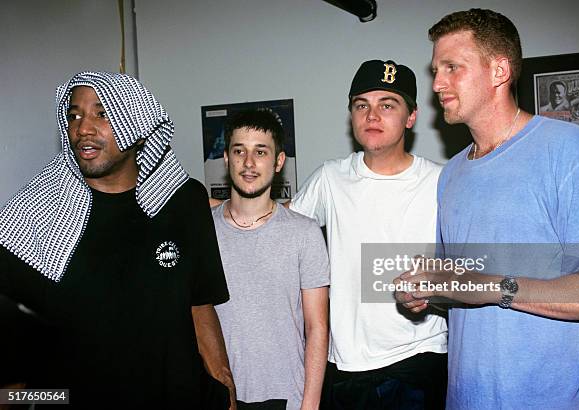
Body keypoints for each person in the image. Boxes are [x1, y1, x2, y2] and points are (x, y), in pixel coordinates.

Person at [395, 9, 579, 409]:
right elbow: (463, 284)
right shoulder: (453, 173)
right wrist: (428, 291)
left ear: (499, 71)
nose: (437, 84)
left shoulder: (574, 152)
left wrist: (494, 287)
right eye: (435, 71)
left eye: (451, 67)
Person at [0, 71, 234, 409]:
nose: (83, 128)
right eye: (74, 115)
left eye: (102, 113)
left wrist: (226, 392)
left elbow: (199, 305)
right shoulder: (32, 218)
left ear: (139, 130)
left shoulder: (183, 202)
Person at [289, 60, 448, 409]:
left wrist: (436, 286)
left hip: (416, 360)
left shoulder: (441, 182)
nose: (372, 115)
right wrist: (220, 209)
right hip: (344, 366)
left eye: (387, 105)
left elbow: (468, 266)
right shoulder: (330, 178)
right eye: (362, 105)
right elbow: (281, 230)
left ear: (411, 117)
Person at [211, 109, 330, 410]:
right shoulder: (203, 230)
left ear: (278, 162)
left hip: (286, 396)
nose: (249, 163)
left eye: (260, 152)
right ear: (226, 158)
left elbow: (317, 327)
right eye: (240, 151)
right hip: (217, 394)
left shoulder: (304, 232)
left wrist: (310, 403)